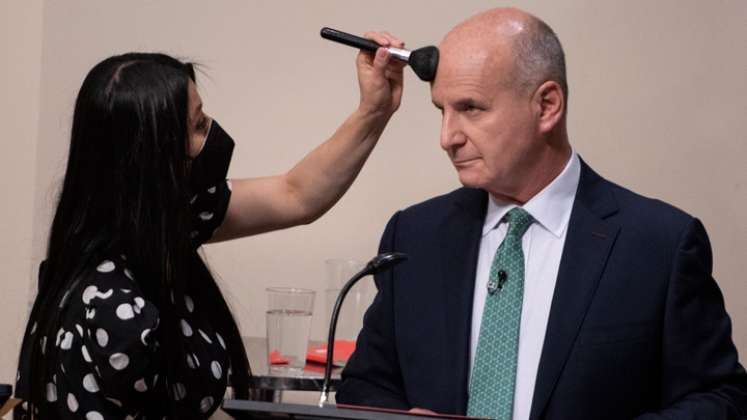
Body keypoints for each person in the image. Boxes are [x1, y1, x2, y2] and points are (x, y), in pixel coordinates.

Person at [336, 8, 747, 420]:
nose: (448, 137)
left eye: (472, 109)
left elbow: (721, 398)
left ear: (547, 106)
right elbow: (366, 384)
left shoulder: (659, 244)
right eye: (441, 111)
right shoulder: (414, 236)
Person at [15, 31, 406, 419]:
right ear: (155, 159)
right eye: (199, 125)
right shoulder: (117, 306)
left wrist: (374, 110)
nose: (214, 131)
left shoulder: (160, 225)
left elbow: (297, 195)